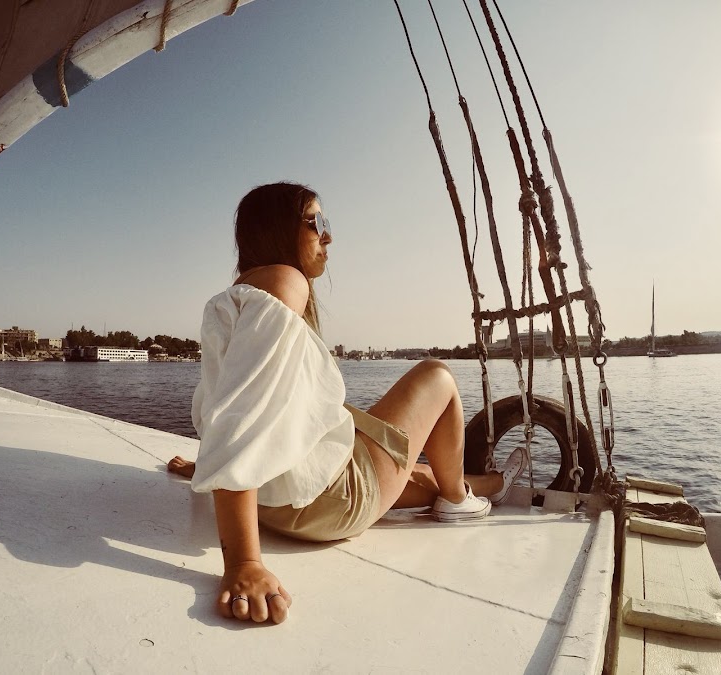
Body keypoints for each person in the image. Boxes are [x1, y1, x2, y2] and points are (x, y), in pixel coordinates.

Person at [167, 182, 525, 625]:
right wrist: (243, 562)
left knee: (414, 468)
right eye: (316, 222)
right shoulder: (286, 282)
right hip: (329, 506)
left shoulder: (231, 299)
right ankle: (457, 501)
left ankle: (490, 486)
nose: (328, 236)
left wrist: (207, 467)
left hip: (274, 505)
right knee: (438, 376)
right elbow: (242, 414)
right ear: (279, 230)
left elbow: (221, 399)